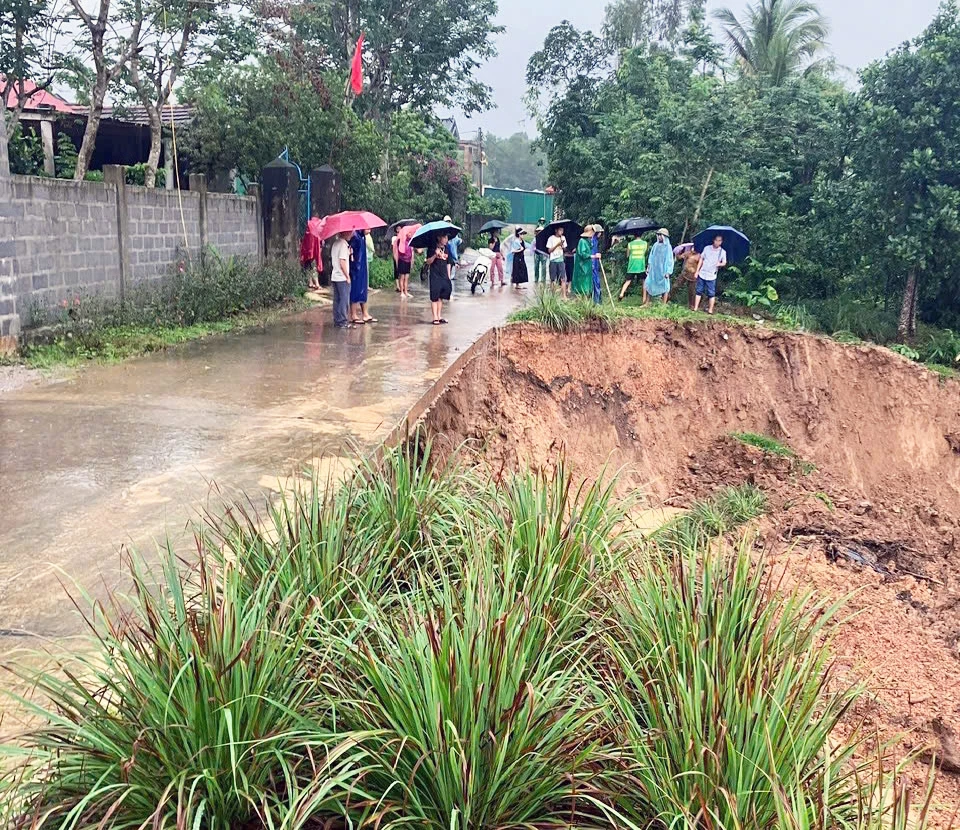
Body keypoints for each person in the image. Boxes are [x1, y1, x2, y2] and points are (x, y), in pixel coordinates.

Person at [694, 233, 728, 314]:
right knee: (699, 290)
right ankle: (695, 308)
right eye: (716, 240)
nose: (717, 242)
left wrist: (719, 264)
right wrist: (697, 271)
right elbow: (701, 259)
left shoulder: (722, 252)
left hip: (712, 274)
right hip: (702, 272)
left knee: (711, 293)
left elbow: (724, 262)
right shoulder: (707, 248)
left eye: (719, 241)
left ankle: (710, 310)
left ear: (721, 242)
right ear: (713, 240)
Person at [349, 230, 377, 324]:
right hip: (356, 267)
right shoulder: (355, 237)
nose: (369, 230)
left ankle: (365, 314)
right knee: (355, 291)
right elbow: (352, 252)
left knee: (363, 291)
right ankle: (353, 314)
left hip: (362, 267)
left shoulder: (362, 237)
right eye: (367, 228)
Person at [427, 232, 452, 324]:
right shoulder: (432, 249)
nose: (446, 240)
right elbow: (428, 262)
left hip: (444, 275)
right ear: (439, 238)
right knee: (435, 296)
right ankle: (435, 317)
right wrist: (435, 255)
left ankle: (439, 315)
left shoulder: (447, 249)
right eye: (444, 237)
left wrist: (448, 276)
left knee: (441, 296)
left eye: (447, 238)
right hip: (435, 275)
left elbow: (449, 263)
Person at [644, 228, 674, 305]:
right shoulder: (655, 245)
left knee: (665, 287)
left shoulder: (668, 247)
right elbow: (651, 256)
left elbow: (670, 260)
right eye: (658, 235)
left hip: (663, 270)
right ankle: (647, 302)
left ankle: (663, 305)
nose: (659, 236)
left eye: (660, 235)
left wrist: (668, 272)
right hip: (654, 270)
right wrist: (649, 266)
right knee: (649, 284)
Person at [331, 231, 352, 328]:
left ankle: (337, 320)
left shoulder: (336, 243)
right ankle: (343, 321)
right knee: (344, 300)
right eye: (350, 232)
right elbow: (342, 262)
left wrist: (350, 254)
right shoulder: (343, 245)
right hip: (342, 277)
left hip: (335, 276)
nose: (351, 234)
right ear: (345, 233)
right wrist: (347, 276)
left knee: (337, 300)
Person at [619, 234, 649, 301]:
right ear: (641, 235)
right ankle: (644, 299)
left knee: (628, 281)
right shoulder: (645, 243)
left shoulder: (630, 244)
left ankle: (621, 294)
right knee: (644, 281)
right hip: (641, 265)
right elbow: (645, 253)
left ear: (634, 235)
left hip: (632, 265)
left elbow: (627, 255)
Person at [572, 226, 595, 297]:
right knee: (582, 283)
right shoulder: (582, 241)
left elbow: (590, 248)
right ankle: (581, 299)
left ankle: (587, 297)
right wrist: (592, 256)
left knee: (587, 282)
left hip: (587, 265)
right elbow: (582, 253)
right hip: (582, 266)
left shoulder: (588, 240)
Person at [546, 225, 568, 296]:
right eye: (560, 230)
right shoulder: (551, 238)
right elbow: (549, 250)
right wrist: (557, 245)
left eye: (562, 230)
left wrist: (562, 246)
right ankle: (553, 296)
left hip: (561, 260)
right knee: (553, 279)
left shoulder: (563, 238)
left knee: (563, 278)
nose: (561, 232)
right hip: (553, 260)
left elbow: (565, 250)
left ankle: (564, 295)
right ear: (556, 230)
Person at [395, 225, 414, 298]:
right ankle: (402, 292)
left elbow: (412, 252)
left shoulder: (411, 241)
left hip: (408, 261)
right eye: (409, 233)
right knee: (402, 277)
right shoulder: (401, 241)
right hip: (402, 260)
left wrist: (412, 260)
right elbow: (398, 251)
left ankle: (406, 291)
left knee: (407, 277)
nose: (410, 234)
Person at [590, 224, 603, 304]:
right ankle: (595, 302)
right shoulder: (592, 241)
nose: (601, 234)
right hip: (592, 264)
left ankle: (598, 301)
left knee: (597, 282)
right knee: (594, 283)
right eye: (600, 232)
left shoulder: (596, 241)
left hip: (596, 264)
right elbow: (591, 253)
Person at [534, 218, 548, 283]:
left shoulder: (545, 237)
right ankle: (536, 278)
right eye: (538, 231)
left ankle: (543, 279)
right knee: (536, 266)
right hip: (537, 253)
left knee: (544, 267)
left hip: (543, 253)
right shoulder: (536, 237)